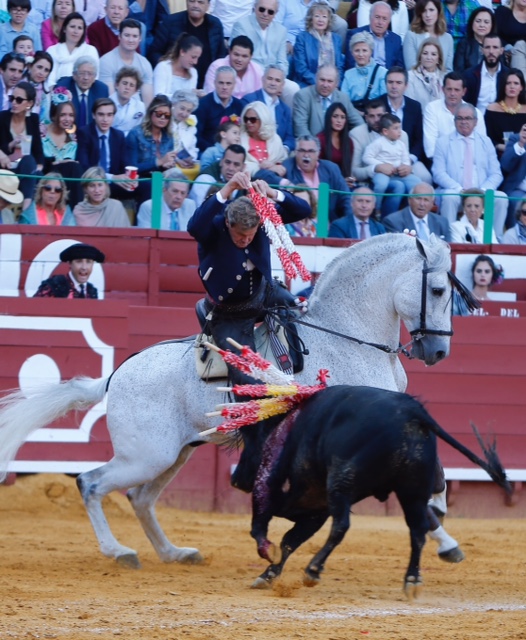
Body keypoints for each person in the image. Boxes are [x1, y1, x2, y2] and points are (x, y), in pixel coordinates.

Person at [186, 173, 311, 385]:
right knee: (248, 379)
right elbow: (194, 227)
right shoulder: (215, 228)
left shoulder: (262, 218)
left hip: (266, 293)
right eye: (240, 237)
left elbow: (303, 210)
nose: (245, 241)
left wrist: (272, 193)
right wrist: (227, 188)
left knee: (306, 312)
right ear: (228, 223)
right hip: (230, 313)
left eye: (250, 236)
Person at [432, 103, 507, 239]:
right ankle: (448, 240)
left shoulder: (486, 142)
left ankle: (495, 240)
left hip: (481, 192)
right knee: (449, 197)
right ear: (454, 121)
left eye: (468, 118)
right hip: (455, 191)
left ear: (475, 122)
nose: (464, 122)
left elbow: (496, 173)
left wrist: (483, 191)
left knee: (501, 198)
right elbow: (438, 173)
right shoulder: (443, 142)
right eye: (459, 118)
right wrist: (458, 188)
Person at [147, 0, 226, 89]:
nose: (195, 5)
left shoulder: (215, 24)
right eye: (192, 1)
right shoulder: (170, 22)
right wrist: (169, 70)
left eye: (200, 2)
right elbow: (154, 52)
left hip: (207, 84)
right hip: (175, 83)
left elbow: (221, 56)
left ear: (208, 5)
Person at [283, 134, 353, 222]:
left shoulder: (331, 169)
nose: (306, 155)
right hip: (299, 225)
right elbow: (264, 175)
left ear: (318, 153)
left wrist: (347, 224)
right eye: (302, 150)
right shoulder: (287, 167)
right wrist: (283, 181)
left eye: (311, 151)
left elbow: (345, 197)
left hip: (328, 225)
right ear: (296, 152)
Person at [76, 97, 136, 199]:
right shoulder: (84, 133)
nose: (105, 119)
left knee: (146, 186)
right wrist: (112, 177)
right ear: (93, 115)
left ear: (113, 116)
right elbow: (85, 166)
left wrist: (132, 178)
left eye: (109, 115)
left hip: (113, 185)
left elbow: (126, 163)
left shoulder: (118, 135)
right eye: (101, 114)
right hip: (93, 184)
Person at [362, 113, 421, 216]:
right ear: (385, 131)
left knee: (416, 182)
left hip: (397, 174)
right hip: (382, 173)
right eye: (396, 128)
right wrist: (381, 165)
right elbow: (366, 157)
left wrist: (405, 166)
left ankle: (411, 212)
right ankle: (377, 208)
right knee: (381, 184)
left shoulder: (401, 144)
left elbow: (406, 159)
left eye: (400, 128)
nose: (400, 131)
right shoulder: (378, 143)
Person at [125, 94, 176, 202]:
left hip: (161, 178)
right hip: (140, 180)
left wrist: (166, 165)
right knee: (152, 185)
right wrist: (159, 162)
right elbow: (132, 169)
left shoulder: (169, 137)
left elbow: (165, 166)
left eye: (166, 115)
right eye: (159, 114)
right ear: (151, 113)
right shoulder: (135, 134)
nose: (163, 118)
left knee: (180, 182)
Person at [0, 80, 43, 210]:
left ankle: (26, 207)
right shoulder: (2, 117)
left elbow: (38, 150)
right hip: (6, 167)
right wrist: (12, 143)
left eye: (19, 100)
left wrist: (40, 166)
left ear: (29, 103)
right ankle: (27, 211)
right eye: (12, 98)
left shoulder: (33, 119)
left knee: (31, 163)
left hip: (25, 168)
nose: (14, 103)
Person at [423, 71, 486, 159]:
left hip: (469, 163)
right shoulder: (432, 108)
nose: (452, 93)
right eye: (449, 89)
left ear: (464, 91)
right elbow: (430, 148)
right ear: (443, 89)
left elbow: (481, 145)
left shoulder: (476, 113)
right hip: (440, 162)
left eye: (456, 90)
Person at [292, 64, 364, 139]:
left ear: (336, 83)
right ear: (316, 79)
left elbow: (359, 124)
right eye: (322, 80)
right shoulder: (303, 96)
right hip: (313, 146)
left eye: (330, 81)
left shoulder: (343, 98)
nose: (325, 85)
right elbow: (300, 128)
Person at [98, 18, 153, 107]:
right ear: (119, 36)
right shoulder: (106, 61)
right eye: (127, 35)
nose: (131, 40)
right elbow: (109, 99)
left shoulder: (145, 64)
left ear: (140, 39)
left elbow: (148, 102)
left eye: (135, 36)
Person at [241, 64, 295, 153]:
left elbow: (290, 138)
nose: (273, 83)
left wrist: (284, 149)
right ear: (263, 79)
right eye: (269, 78)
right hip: (253, 152)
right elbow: (244, 132)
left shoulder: (285, 109)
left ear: (282, 84)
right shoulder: (249, 100)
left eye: (277, 80)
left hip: (278, 154)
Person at [230, 0, 288, 79]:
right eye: (262, 9)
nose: (265, 14)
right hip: (249, 75)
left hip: (273, 77)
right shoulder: (241, 25)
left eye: (270, 12)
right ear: (255, 7)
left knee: (293, 88)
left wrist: (278, 77)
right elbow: (237, 58)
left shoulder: (281, 31)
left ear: (275, 13)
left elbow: (282, 62)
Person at [292, 1, 343, 89]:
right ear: (311, 19)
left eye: (324, 17)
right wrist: (321, 83)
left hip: (331, 85)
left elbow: (339, 67)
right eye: (317, 16)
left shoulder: (336, 39)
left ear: (329, 20)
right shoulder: (302, 38)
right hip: (308, 84)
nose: (320, 20)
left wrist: (334, 83)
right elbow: (301, 69)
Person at [195, 66, 243, 153]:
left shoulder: (239, 105)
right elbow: (197, 136)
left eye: (228, 83)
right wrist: (217, 151)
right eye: (221, 83)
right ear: (214, 83)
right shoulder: (203, 105)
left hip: (233, 154)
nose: (224, 87)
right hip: (207, 152)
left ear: (234, 84)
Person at [33, 242, 105, 298]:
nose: (84, 267)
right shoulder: (53, 286)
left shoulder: (92, 291)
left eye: (89, 262)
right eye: (78, 261)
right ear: (70, 263)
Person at [346, 1, 404, 70]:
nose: (380, 22)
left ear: (389, 21)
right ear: (370, 17)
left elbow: (399, 68)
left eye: (384, 19)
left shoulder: (396, 40)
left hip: (388, 78)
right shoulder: (355, 35)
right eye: (377, 17)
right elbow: (351, 65)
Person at [382, 182, 451, 241]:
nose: (422, 204)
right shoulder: (393, 221)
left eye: (426, 200)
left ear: (432, 203)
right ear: (409, 200)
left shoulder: (442, 222)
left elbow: (448, 250)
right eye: (418, 198)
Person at [46, 12, 99, 87]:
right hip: (57, 93)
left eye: (80, 28)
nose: (75, 31)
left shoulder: (90, 50)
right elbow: (49, 79)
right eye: (72, 26)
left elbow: (94, 77)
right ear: (64, 29)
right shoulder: (52, 50)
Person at [239, 100, 287, 182]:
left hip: (274, 181)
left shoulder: (275, 139)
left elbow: (282, 164)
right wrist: (264, 167)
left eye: (253, 119)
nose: (249, 122)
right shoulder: (240, 139)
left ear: (263, 119)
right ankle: (285, 185)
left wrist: (273, 166)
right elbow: (240, 166)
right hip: (250, 182)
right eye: (246, 119)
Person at [55, 56, 109, 129]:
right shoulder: (63, 87)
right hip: (67, 132)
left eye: (90, 74)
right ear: (74, 75)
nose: (86, 78)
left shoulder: (102, 90)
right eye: (82, 73)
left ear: (94, 77)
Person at [189, 143, 247, 207]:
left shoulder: (243, 183)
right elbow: (200, 209)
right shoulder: (204, 179)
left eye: (236, 165)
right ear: (221, 161)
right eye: (227, 162)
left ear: (243, 167)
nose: (231, 168)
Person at [402, 0, 453, 72]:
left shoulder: (448, 38)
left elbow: (448, 69)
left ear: (438, 12)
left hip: (442, 81)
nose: (428, 15)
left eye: (431, 10)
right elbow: (411, 68)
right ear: (420, 14)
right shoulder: (411, 36)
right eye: (424, 11)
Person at [341, 31, 387, 111]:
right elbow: (344, 103)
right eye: (357, 50)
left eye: (364, 50)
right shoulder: (348, 74)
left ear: (371, 52)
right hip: (354, 117)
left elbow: (385, 101)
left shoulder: (383, 73)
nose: (360, 54)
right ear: (352, 53)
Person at [463, 35, 508, 116]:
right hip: (475, 124)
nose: (491, 51)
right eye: (487, 47)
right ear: (482, 50)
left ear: (501, 50)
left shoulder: (509, 76)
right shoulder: (469, 75)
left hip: (501, 124)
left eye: (495, 47)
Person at [484, 69, 526, 153]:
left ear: (521, 87)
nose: (512, 86)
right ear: (503, 86)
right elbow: (486, 137)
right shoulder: (491, 109)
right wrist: (500, 146)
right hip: (496, 154)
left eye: (516, 83)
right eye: (508, 83)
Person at [317, 101, 354, 186]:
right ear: (329, 118)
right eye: (335, 116)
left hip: (343, 185)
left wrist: (348, 179)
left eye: (342, 117)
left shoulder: (349, 142)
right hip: (325, 185)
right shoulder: (320, 139)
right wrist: (340, 182)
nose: (339, 121)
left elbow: (347, 168)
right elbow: (318, 170)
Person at [153, 33, 202, 98]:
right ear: (182, 52)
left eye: (197, 58)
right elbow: (159, 96)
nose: (195, 62)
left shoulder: (193, 72)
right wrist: (186, 95)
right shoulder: (163, 67)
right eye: (193, 57)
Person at [405, 37, 446, 108]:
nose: (429, 57)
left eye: (433, 54)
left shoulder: (444, 78)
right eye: (425, 53)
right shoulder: (410, 76)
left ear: (438, 59)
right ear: (420, 56)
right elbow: (410, 105)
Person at [453, 6, 495, 74]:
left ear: (492, 25)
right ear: (472, 23)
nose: (482, 25)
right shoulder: (463, 44)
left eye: (486, 22)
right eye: (478, 21)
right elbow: (458, 71)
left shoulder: (496, 44)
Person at [500, 123, 526, 229]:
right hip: (519, 189)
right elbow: (505, 165)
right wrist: (521, 144)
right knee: (516, 200)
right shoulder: (517, 138)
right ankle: (515, 240)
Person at [170, 88, 200, 180]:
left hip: (185, 165)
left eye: (188, 111)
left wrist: (191, 159)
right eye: (182, 108)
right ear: (174, 104)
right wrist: (177, 160)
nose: (184, 113)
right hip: (168, 164)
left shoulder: (191, 124)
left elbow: (193, 148)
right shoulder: (164, 120)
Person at [109, 66, 145, 136]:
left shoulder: (140, 106)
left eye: (131, 85)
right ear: (116, 85)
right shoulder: (107, 104)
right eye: (124, 83)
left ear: (136, 90)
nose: (127, 88)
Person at [24, 50, 53, 121]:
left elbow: (45, 119)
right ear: (30, 66)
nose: (42, 73)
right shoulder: (19, 85)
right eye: (39, 67)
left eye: (46, 70)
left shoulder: (45, 93)